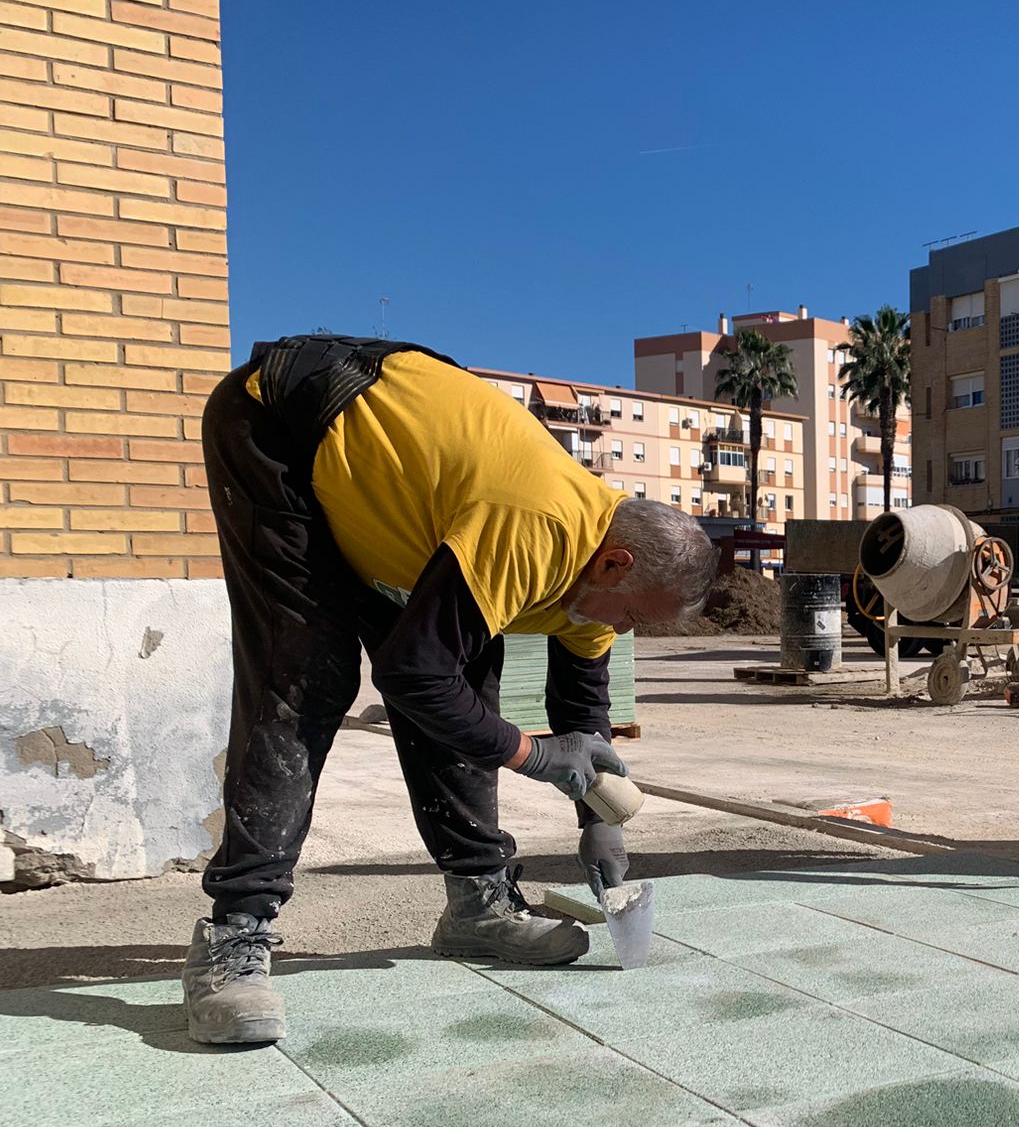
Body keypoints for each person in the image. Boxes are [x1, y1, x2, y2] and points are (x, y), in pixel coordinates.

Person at [186, 336, 719, 1044]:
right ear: (616, 564)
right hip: (280, 429)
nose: (621, 632)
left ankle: (477, 906)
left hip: (387, 499)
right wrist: (532, 755)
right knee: (305, 676)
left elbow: (581, 708)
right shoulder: (537, 525)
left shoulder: (599, 577)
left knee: (463, 680)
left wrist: (599, 818)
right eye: (629, 617)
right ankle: (234, 935)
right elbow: (409, 676)